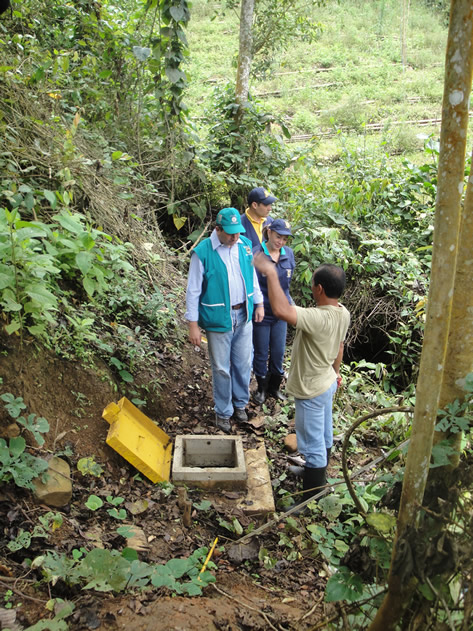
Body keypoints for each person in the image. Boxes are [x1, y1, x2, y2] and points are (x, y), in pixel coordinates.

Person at [253, 254, 350, 510]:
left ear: (319, 289)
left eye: (313, 283)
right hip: (327, 381)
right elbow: (340, 346)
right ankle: (315, 476)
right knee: (324, 435)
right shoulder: (343, 313)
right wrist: (336, 374)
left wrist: (271, 273)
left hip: (312, 390)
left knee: (313, 444)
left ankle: (309, 500)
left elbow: (281, 311)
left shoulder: (317, 317)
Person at [185, 207, 265, 434]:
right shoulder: (203, 252)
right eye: (230, 233)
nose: (235, 237)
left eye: (237, 232)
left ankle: (240, 404)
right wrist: (193, 325)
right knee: (221, 368)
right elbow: (193, 290)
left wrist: (259, 303)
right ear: (218, 229)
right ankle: (223, 411)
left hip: (244, 313)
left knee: (243, 363)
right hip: (218, 317)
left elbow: (252, 277)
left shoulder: (244, 246)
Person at [252, 219, 295, 404]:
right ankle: (261, 388)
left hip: (281, 313)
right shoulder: (257, 253)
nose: (281, 242)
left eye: (285, 239)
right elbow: (252, 285)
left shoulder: (288, 254)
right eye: (278, 237)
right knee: (261, 352)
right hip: (262, 311)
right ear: (269, 232)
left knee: (278, 351)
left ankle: (274, 387)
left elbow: (287, 286)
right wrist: (258, 306)